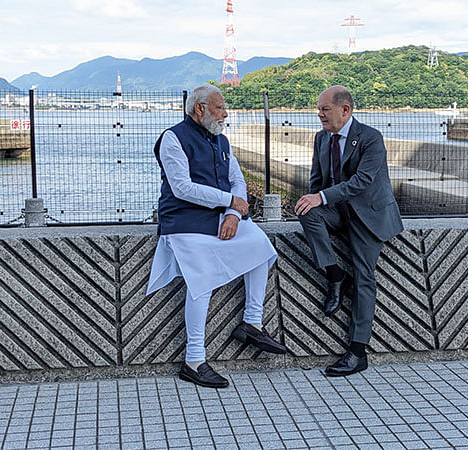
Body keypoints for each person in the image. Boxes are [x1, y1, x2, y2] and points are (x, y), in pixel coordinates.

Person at [146, 84, 286, 389]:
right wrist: (229, 203)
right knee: (202, 277)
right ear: (200, 109)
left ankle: (252, 323)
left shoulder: (221, 140)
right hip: (183, 221)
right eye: (220, 107)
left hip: (222, 217)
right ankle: (194, 360)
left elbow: (237, 180)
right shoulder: (173, 139)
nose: (226, 113)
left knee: (260, 246)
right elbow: (182, 187)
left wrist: (234, 214)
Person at [294, 85, 403, 377]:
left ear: (345, 110)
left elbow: (362, 182)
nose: (319, 115)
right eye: (318, 109)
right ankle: (334, 274)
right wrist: (313, 198)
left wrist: (322, 197)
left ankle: (358, 352)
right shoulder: (321, 138)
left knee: (364, 275)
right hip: (339, 211)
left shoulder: (370, 138)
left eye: (324, 109)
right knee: (308, 212)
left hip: (369, 215)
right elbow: (317, 181)